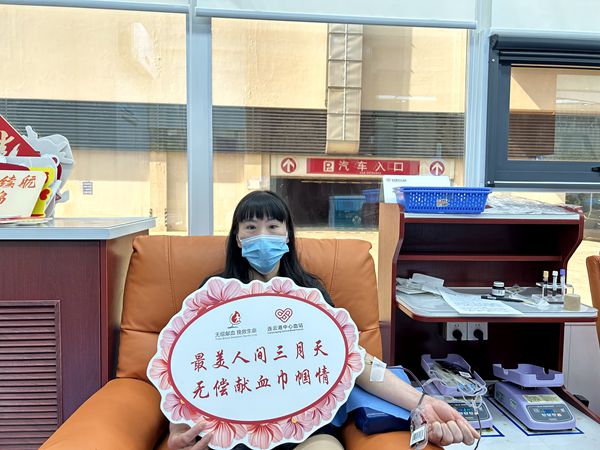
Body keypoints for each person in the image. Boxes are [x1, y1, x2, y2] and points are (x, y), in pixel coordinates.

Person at [169, 190, 480, 450]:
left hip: (307, 429)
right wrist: (177, 430)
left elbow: (354, 360)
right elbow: (184, 366)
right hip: (234, 431)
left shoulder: (310, 293)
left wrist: (421, 401)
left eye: (273, 226)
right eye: (251, 227)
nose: (262, 235)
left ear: (287, 235)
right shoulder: (213, 295)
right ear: (237, 238)